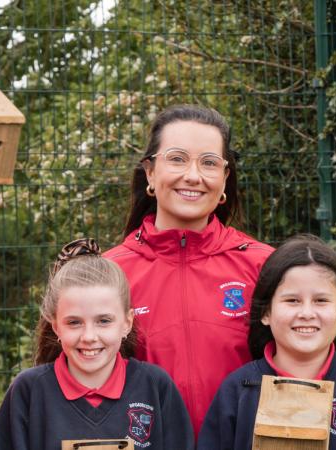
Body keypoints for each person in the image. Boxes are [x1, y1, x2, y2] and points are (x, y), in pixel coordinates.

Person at [104, 104, 275, 436]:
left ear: (225, 179)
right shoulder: (110, 273)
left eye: (209, 163)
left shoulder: (264, 266)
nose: (193, 176)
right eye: (177, 159)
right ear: (150, 173)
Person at [200, 235, 336, 449]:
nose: (307, 313)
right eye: (292, 300)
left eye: (321, 301)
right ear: (266, 311)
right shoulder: (238, 390)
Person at [0, 238, 193, 449]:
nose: (89, 336)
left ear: (126, 322)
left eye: (103, 321)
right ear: (56, 326)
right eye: (74, 322)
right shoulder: (28, 392)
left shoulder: (156, 386)